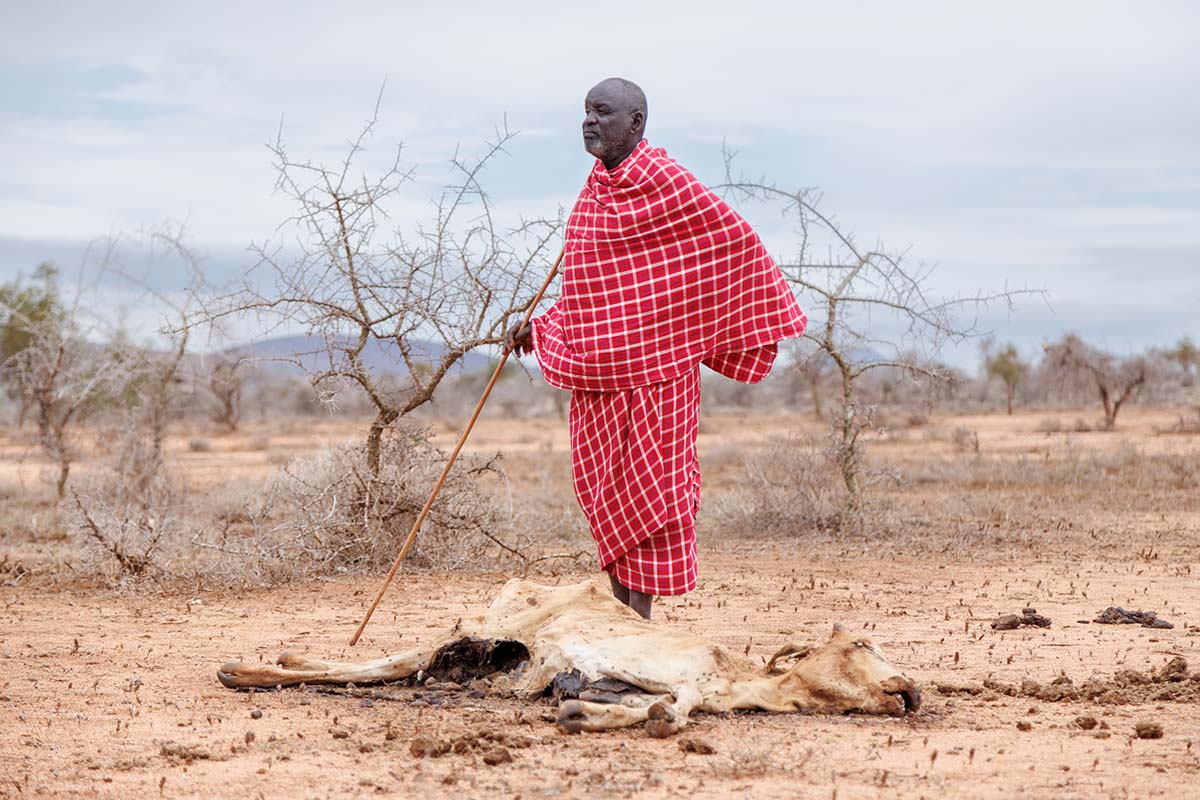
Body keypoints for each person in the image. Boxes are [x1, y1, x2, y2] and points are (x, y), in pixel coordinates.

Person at [506, 77, 806, 619]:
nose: (589, 121)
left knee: (649, 497)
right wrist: (543, 326)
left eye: (603, 111)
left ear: (636, 123)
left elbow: (735, 243)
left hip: (658, 379)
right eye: (586, 112)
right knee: (607, 494)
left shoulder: (669, 183)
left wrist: (699, 327)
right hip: (599, 378)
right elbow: (590, 290)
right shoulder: (594, 191)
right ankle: (623, 624)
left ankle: (636, 630)